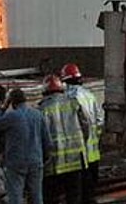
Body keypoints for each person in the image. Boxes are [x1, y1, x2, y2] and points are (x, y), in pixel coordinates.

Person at [0, 87, 51, 204]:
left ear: (12, 102)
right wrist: (45, 157)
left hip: (16, 162)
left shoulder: (11, 116)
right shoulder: (37, 114)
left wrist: (3, 108)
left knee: (15, 196)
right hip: (35, 161)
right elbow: (46, 140)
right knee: (37, 196)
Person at [39, 74, 88, 204]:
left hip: (54, 164)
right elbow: (86, 126)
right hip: (75, 161)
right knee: (74, 197)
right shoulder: (74, 103)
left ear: (45, 91)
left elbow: (40, 138)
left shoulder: (42, 109)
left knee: (51, 197)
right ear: (61, 89)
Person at [61, 63, 103, 204]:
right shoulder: (90, 95)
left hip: (79, 153)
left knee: (76, 191)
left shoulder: (68, 98)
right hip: (93, 151)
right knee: (90, 190)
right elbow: (99, 120)